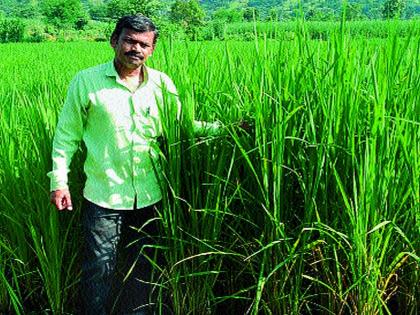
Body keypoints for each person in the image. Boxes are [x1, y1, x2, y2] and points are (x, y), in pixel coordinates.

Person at [48, 15, 220, 315]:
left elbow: (180, 125)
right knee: (99, 269)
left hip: (149, 194)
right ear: (114, 41)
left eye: (143, 44)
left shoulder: (161, 84)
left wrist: (226, 128)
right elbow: (66, 136)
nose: (135, 49)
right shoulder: (86, 82)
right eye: (129, 40)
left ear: (152, 49)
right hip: (103, 195)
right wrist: (59, 182)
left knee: (143, 269)